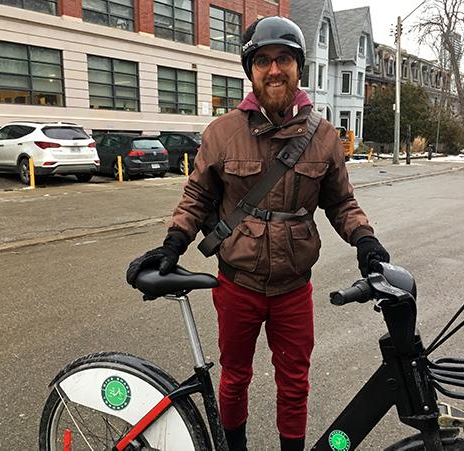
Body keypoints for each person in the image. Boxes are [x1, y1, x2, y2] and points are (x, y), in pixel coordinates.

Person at [126, 16, 390, 451]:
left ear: (298, 67)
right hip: (238, 284)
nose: (274, 69)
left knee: (294, 384)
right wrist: (173, 243)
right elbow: (196, 197)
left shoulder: (323, 137)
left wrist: (367, 242)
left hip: (293, 289)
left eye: (283, 59)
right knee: (234, 379)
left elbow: (341, 202)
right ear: (250, 71)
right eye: (263, 60)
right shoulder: (222, 133)